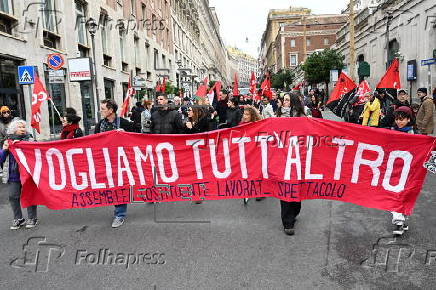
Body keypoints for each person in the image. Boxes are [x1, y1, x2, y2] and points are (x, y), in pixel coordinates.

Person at [94, 99, 133, 228]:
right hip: (106, 161)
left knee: (120, 186)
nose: (101, 111)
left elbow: (138, 135)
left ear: (111, 110)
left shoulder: (124, 123)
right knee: (112, 187)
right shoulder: (100, 124)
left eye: (103, 109)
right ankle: (118, 210)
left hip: (121, 161)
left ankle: (119, 214)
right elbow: (93, 141)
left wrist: (125, 134)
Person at [0, 119, 38, 230]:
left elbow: (37, 153)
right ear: (13, 129)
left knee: (29, 195)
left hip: (27, 174)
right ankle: (18, 218)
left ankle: (32, 218)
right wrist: (4, 150)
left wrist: (24, 145)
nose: (22, 129)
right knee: (12, 196)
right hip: (13, 175)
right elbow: (1, 159)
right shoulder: (7, 142)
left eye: (23, 127)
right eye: (20, 127)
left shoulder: (30, 140)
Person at [280, 93, 306, 236]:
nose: (284, 102)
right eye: (284, 100)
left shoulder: (303, 117)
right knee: (284, 187)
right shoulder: (278, 117)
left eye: (287, 100)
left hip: (298, 158)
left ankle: (295, 211)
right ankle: (287, 222)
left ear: (294, 102)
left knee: (296, 187)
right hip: (282, 158)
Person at [390, 106, 414, 235]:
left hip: (407, 171)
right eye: (397, 119)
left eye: (403, 119)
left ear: (409, 119)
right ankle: (398, 222)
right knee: (394, 195)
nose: (399, 122)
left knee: (403, 196)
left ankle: (402, 220)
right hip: (393, 170)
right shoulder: (391, 131)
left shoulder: (413, 135)